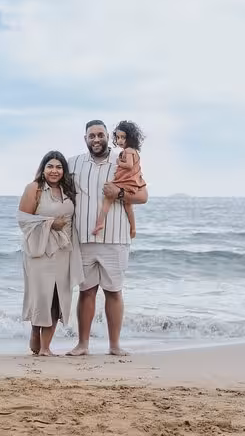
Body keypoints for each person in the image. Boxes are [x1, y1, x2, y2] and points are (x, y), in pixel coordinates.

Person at [66, 120, 148, 356]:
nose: (96, 139)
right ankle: (82, 345)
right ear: (85, 139)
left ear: (108, 137)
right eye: (91, 136)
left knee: (113, 291)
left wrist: (119, 193)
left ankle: (114, 346)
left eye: (100, 134)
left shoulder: (124, 158)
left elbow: (142, 196)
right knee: (86, 291)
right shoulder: (74, 163)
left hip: (116, 237)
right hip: (83, 237)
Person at [17, 150, 84, 356]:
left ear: (64, 171)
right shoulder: (34, 188)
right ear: (43, 169)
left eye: (59, 167)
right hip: (40, 252)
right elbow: (23, 219)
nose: (54, 171)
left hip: (64, 251)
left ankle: (46, 347)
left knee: (58, 297)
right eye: (50, 166)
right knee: (42, 296)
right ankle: (35, 330)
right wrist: (50, 223)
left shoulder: (68, 191)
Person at [92, 120, 146, 239]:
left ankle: (99, 223)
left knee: (108, 199)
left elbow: (129, 165)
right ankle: (133, 227)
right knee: (128, 206)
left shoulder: (129, 151)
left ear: (130, 138)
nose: (120, 140)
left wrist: (119, 162)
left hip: (126, 182)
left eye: (123, 137)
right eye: (118, 137)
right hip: (130, 182)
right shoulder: (131, 151)